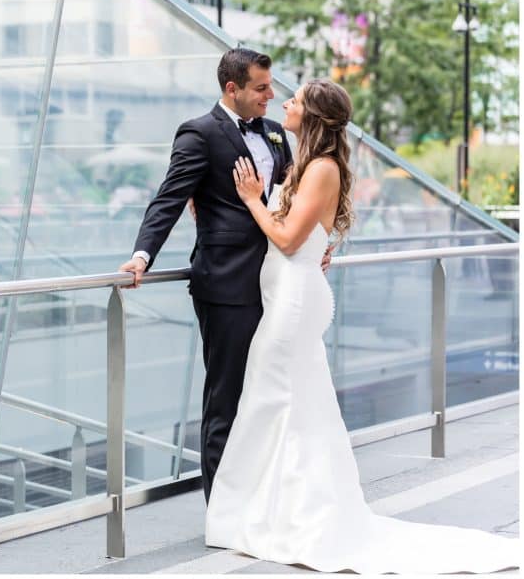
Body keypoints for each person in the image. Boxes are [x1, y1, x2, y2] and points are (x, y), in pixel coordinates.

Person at [204, 80, 518, 572]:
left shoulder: (323, 168)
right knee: (279, 404)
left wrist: (251, 199)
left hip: (293, 303)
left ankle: (291, 515)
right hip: (285, 296)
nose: (285, 102)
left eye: (295, 100)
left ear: (311, 117)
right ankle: (266, 509)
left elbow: (286, 240)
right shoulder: (306, 164)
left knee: (279, 402)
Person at [118, 48, 295, 500]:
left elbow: (292, 198)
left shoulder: (275, 133)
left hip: (278, 280)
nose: (271, 96)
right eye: (261, 88)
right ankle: (222, 508)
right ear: (232, 89)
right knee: (226, 398)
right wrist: (142, 256)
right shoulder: (199, 133)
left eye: (271, 86)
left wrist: (314, 246)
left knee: (272, 391)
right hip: (227, 284)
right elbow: (169, 199)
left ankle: (262, 496)